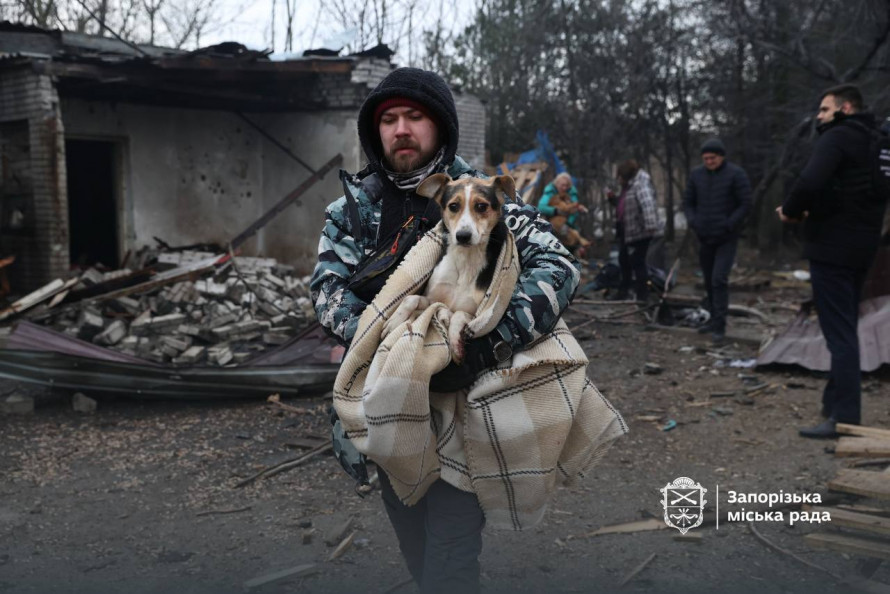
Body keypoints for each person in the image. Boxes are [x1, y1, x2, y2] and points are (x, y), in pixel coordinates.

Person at [309, 68, 580, 593]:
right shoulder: (352, 212)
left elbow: (559, 267)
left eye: (415, 116)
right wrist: (392, 344)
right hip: (387, 404)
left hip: (471, 406)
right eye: (388, 119)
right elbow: (326, 292)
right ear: (375, 131)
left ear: (441, 126)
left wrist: (487, 343)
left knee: (452, 556)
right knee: (415, 540)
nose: (401, 129)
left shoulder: (484, 194)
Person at [777, 84, 887, 438]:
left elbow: (810, 180)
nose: (820, 116)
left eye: (825, 110)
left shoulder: (839, 137)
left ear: (846, 108)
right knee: (845, 328)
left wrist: (791, 212)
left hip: (832, 248)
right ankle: (833, 404)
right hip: (863, 248)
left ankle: (844, 418)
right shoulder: (878, 143)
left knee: (839, 334)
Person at [683, 138, 752, 343]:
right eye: (705, 158)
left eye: (712, 158)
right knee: (708, 281)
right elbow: (688, 202)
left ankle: (720, 325)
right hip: (704, 236)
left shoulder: (736, 174)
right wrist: (693, 221)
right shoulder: (697, 175)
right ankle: (713, 319)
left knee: (719, 279)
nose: (709, 162)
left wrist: (730, 224)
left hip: (726, 237)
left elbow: (746, 203)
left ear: (721, 157)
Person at [608, 159, 661, 302]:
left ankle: (642, 296)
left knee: (638, 263)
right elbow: (625, 205)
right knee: (624, 260)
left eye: (620, 177)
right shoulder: (629, 187)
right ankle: (625, 291)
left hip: (639, 233)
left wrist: (651, 227)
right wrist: (614, 200)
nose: (618, 180)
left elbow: (648, 206)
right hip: (627, 231)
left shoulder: (640, 185)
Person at [537, 172, 591, 254]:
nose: (564, 187)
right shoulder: (550, 192)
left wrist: (569, 222)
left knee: (572, 237)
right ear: (556, 184)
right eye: (562, 185)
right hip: (553, 223)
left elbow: (574, 208)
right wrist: (555, 211)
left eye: (567, 185)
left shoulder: (571, 194)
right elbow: (541, 207)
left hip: (569, 224)